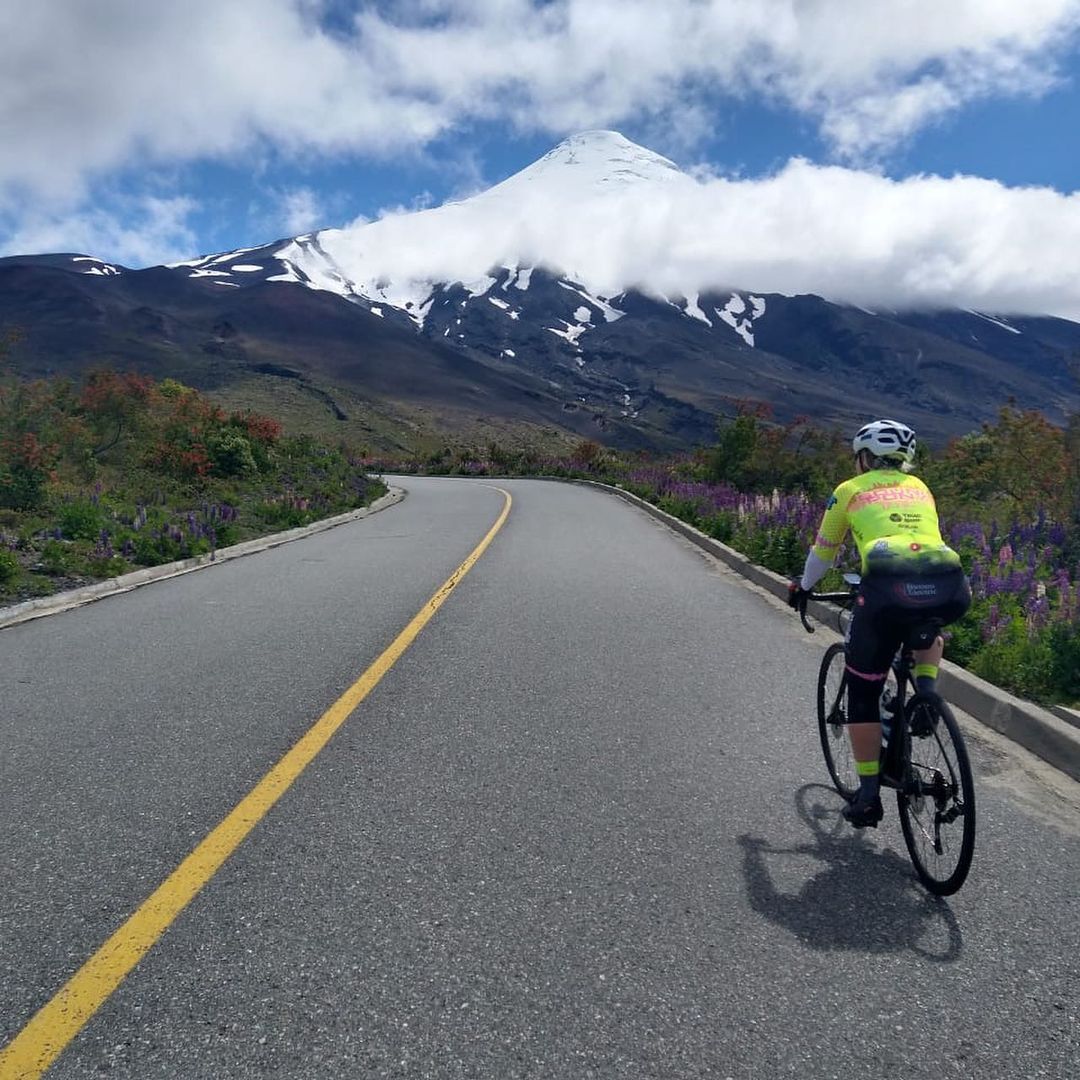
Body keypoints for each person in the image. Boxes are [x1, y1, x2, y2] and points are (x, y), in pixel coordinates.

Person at [787, 419, 971, 827]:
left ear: (864, 457)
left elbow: (825, 551)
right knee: (928, 625)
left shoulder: (849, 491)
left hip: (888, 588)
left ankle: (868, 796)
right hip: (951, 584)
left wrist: (803, 586)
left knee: (864, 694)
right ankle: (926, 696)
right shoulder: (921, 487)